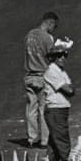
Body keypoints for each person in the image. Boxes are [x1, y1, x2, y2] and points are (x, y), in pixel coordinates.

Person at [25, 12, 58, 148]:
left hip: (29, 75)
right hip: (42, 76)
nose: (54, 29)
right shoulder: (47, 38)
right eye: (54, 26)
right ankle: (44, 140)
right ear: (50, 23)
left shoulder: (29, 35)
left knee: (30, 109)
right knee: (43, 109)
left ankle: (31, 138)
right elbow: (52, 56)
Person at [44, 44, 76, 161]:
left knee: (54, 144)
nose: (62, 58)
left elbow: (70, 89)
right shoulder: (52, 71)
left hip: (61, 110)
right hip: (55, 110)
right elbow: (69, 90)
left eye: (64, 55)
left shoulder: (60, 71)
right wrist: (68, 88)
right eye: (59, 56)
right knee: (63, 142)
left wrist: (69, 88)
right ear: (53, 58)